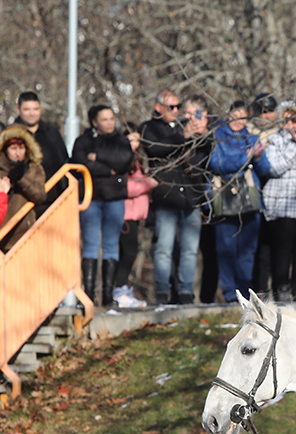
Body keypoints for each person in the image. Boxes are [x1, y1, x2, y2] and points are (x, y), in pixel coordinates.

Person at [140, 90, 210, 305]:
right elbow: (156, 149)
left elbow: (204, 155)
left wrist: (202, 133)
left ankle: (186, 292)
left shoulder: (187, 127)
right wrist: (184, 136)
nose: (177, 111)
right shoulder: (149, 128)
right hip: (166, 197)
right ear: (159, 107)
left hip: (192, 197)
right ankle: (162, 292)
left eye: (179, 106)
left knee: (190, 250)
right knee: (163, 248)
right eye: (172, 107)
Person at [208, 100, 272, 303]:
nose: (238, 121)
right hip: (224, 200)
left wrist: (259, 157)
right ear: (228, 116)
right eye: (235, 116)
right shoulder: (217, 137)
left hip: (250, 201)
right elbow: (216, 164)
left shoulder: (253, 138)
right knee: (225, 249)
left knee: (248, 251)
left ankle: (246, 292)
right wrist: (244, 158)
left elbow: (265, 170)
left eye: (242, 116)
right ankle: (229, 294)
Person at [72, 104, 134, 305]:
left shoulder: (121, 140)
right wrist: (109, 170)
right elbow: (81, 164)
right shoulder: (83, 141)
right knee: (90, 245)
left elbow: (124, 161)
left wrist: (98, 158)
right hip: (91, 198)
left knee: (111, 246)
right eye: (104, 119)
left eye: (111, 118)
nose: (110, 123)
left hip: (115, 198)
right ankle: (88, 296)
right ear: (94, 122)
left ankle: (108, 297)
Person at [257, 104, 296, 302]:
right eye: (287, 120)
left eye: (295, 120)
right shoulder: (274, 141)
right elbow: (274, 168)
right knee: (282, 250)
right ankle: (280, 288)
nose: (291, 124)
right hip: (281, 205)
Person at [0, 125, 46, 251]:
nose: (18, 153)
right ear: (5, 149)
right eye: (13, 148)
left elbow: (40, 196)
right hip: (0, 230)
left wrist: (21, 179)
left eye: (21, 148)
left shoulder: (34, 168)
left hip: (25, 230)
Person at [114, 128, 154, 308]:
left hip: (135, 216)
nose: (135, 144)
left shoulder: (138, 161)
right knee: (128, 253)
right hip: (125, 215)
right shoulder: (121, 161)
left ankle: (123, 289)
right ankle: (118, 290)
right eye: (131, 140)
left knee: (130, 253)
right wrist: (148, 184)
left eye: (137, 140)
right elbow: (126, 188)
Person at [14, 91, 70, 216]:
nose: (31, 113)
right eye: (27, 109)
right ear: (18, 109)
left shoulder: (52, 134)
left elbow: (64, 163)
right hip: (22, 203)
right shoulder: (11, 133)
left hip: (52, 202)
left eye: (35, 109)